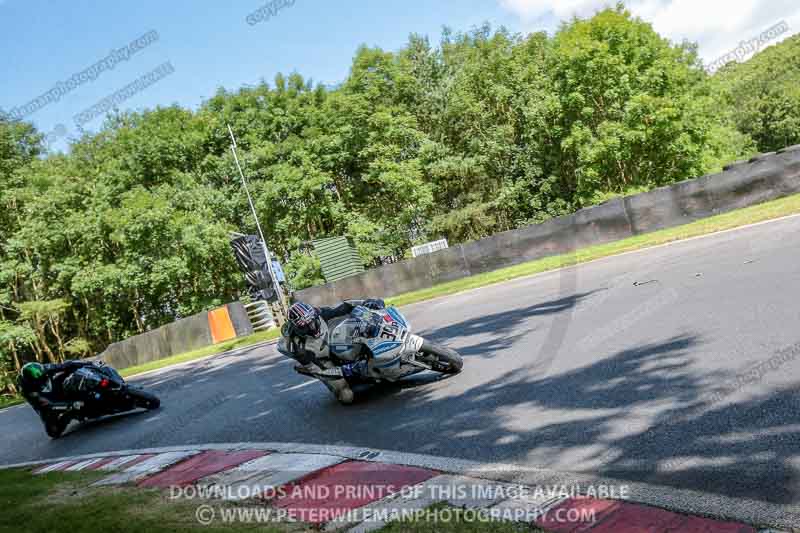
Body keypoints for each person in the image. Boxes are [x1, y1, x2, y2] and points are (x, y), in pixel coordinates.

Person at [278, 299, 386, 403]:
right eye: (305, 327)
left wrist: (366, 302)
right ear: (297, 328)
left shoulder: (319, 314)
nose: (312, 327)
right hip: (322, 360)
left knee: (358, 325)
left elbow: (344, 307)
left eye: (313, 322)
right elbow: (319, 371)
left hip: (332, 341)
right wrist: (347, 370)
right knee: (347, 396)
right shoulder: (299, 349)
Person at [17, 360, 94, 416]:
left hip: (51, 384)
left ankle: (80, 392)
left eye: (41, 376)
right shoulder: (24, 386)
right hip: (39, 393)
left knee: (67, 369)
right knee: (41, 407)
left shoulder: (46, 367)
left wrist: (87, 363)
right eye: (37, 379)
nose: (40, 379)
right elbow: (35, 402)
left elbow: (65, 365)